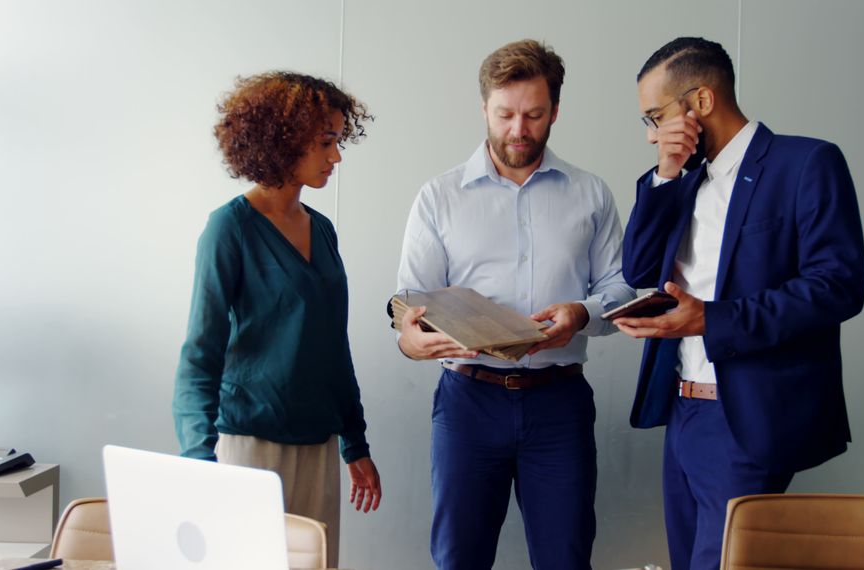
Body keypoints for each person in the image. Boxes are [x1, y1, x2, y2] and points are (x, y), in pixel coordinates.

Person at [618, 37, 864, 570]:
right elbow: (638, 268)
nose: (651, 134)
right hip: (682, 410)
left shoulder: (807, 163)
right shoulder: (682, 182)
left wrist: (712, 319)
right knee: (687, 560)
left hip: (746, 414)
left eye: (656, 116)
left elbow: (839, 285)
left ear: (701, 103)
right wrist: (664, 174)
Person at [394, 39, 635, 570]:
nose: (518, 130)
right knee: (459, 559)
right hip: (466, 403)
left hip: (559, 405)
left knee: (566, 558)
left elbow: (620, 291)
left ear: (555, 112)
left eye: (534, 115)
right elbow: (411, 308)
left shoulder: (591, 194)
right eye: (505, 115)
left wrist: (583, 314)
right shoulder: (440, 197)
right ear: (484, 109)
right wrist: (412, 341)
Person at [172, 71, 381, 567]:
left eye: (337, 140)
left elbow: (333, 347)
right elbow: (200, 355)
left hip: (318, 446)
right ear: (283, 139)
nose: (336, 155)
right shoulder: (229, 230)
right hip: (249, 447)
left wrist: (356, 443)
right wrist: (199, 462)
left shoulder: (324, 232)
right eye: (326, 142)